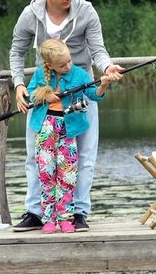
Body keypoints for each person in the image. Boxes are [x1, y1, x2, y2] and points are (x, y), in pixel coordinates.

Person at [10, 0, 124, 231]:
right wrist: (18, 85)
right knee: (35, 156)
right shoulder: (30, 15)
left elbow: (98, 50)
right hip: (44, 93)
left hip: (80, 90)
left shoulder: (86, 11)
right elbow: (16, 50)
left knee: (84, 156)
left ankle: (78, 212)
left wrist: (107, 68)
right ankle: (35, 212)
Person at [28, 39, 115, 233]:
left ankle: (66, 217)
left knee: (67, 174)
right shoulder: (40, 74)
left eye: (69, 61)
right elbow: (30, 94)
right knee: (46, 173)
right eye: (62, 64)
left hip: (68, 131)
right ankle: (48, 218)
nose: (68, 66)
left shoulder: (79, 74)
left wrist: (103, 86)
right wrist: (45, 95)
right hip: (45, 129)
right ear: (50, 66)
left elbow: (93, 95)